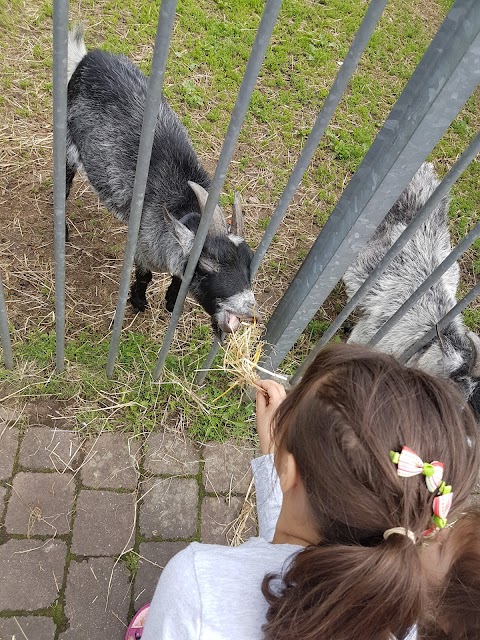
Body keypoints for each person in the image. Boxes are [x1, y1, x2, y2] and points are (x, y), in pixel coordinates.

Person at [132, 344, 480, 640]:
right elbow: (297, 535)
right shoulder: (402, 617)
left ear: (289, 470)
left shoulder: (197, 585)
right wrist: (278, 457)